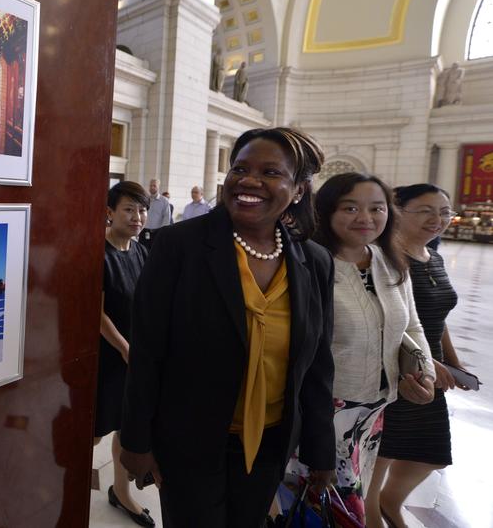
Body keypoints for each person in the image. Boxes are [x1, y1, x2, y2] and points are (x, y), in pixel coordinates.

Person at [120, 127, 336, 527]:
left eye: (271, 172)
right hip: (189, 440)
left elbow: (318, 365)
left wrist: (322, 449)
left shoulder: (314, 262)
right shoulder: (178, 247)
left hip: (270, 443)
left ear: (299, 190)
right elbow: (148, 352)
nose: (249, 180)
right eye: (240, 168)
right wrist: (135, 441)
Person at [309, 173, 436, 526]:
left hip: (373, 410)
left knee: (344, 503)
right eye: (350, 208)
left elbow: (412, 326)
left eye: (376, 208)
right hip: (323, 412)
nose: (365, 218)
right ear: (326, 212)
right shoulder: (310, 263)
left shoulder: (389, 261)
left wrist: (423, 373)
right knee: (334, 508)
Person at [370, 184, 472, 528]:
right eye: (427, 210)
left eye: (445, 212)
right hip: (396, 371)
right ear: (396, 211)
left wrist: (453, 363)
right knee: (377, 459)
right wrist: (431, 362)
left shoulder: (434, 257)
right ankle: (374, 515)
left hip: (430, 371)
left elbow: (437, 318)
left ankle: (390, 501)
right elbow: (383, 323)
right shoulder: (382, 260)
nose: (438, 219)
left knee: (429, 453)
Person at [95, 181, 153, 527]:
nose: (137, 216)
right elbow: (97, 314)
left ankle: (120, 491)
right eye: (129, 209)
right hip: (107, 356)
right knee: (96, 429)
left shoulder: (140, 252)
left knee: (124, 426)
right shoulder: (98, 253)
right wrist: (124, 347)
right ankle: (64, 488)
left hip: (136, 354)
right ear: (110, 212)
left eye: (141, 209)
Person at [140, 178, 172, 248]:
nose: (152, 187)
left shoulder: (164, 201)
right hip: (144, 231)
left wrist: (163, 232)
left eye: (154, 186)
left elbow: (166, 218)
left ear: (158, 187)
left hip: (157, 232)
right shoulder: (145, 199)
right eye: (150, 186)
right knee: (142, 251)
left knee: (155, 251)